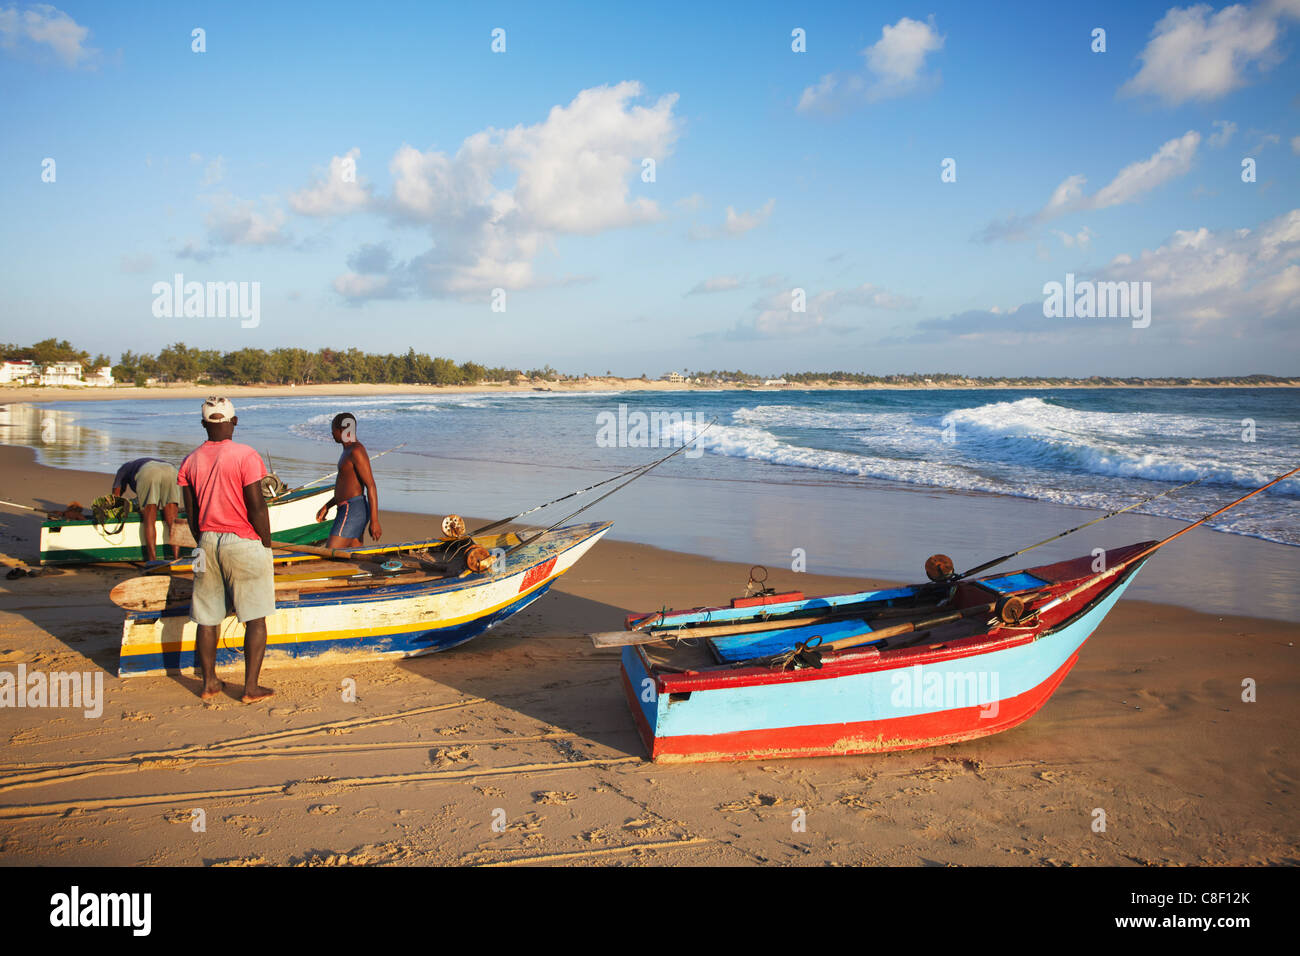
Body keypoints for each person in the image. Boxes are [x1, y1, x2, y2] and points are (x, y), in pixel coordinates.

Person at [177, 397, 275, 703]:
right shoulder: (246, 455)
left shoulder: (190, 460)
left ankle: (209, 683)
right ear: (234, 421)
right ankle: (250, 688)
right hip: (242, 541)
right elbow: (256, 505)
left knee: (206, 618)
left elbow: (190, 512)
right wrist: (266, 541)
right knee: (255, 618)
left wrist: (202, 539)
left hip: (205, 541)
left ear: (204, 423)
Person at [316, 412, 382, 548]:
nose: (332, 433)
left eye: (333, 430)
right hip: (346, 508)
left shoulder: (356, 451)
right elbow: (346, 487)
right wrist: (328, 505)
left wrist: (375, 521)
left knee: (332, 552)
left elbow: (371, 486)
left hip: (352, 509)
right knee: (354, 554)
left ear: (342, 431)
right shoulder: (347, 451)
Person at [112, 457, 182, 561]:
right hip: (171, 470)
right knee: (172, 520)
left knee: (149, 519)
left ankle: (152, 560)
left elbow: (115, 496)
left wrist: (115, 508)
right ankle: (177, 558)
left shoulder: (123, 469)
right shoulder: (137, 464)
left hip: (149, 472)